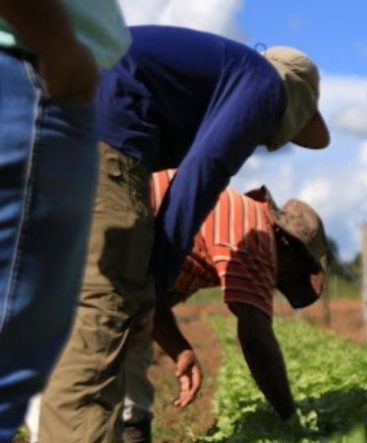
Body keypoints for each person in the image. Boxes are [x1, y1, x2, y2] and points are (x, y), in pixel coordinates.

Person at [39, 25, 330, 442]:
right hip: (99, 136)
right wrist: (291, 421)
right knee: (102, 324)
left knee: (75, 317)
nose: (273, 143)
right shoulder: (266, 87)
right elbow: (201, 176)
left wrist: (158, 313)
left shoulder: (227, 76)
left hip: (53, 121)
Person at [26, 170, 327, 442]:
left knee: (128, 355)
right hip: (87, 241)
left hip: (103, 243)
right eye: (295, 274)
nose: (279, 282)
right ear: (291, 252)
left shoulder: (236, 219)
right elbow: (255, 338)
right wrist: (291, 421)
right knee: (75, 372)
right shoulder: (259, 238)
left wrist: (179, 348)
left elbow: (147, 294)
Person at [0, 1, 129, 440]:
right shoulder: (258, 87)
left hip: (36, 59)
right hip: (29, 68)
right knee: (10, 352)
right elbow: (203, 172)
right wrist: (57, 44)